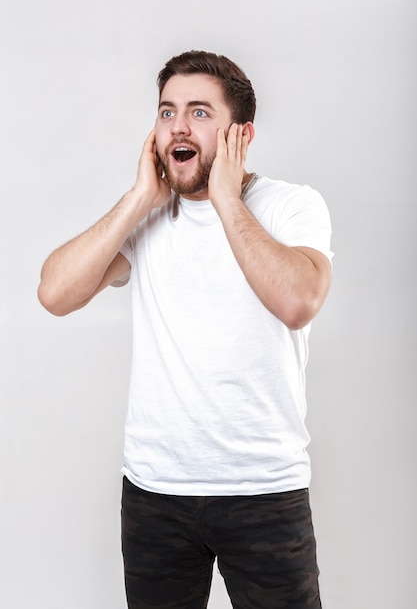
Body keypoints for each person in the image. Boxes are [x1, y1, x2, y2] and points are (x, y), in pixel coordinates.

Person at [38, 50, 333, 609]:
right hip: (155, 495)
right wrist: (137, 199)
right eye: (167, 110)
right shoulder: (146, 219)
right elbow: (55, 293)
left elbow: (297, 300)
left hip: (263, 492)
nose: (178, 125)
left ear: (240, 134)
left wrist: (225, 198)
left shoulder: (289, 206)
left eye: (199, 112)